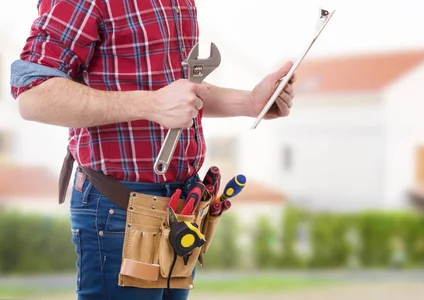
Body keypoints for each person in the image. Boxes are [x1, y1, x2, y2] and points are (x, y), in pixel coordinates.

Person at [9, 0, 296, 299]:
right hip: (118, 208)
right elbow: (33, 96)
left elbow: (180, 94)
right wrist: (151, 105)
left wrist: (250, 102)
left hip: (182, 208)